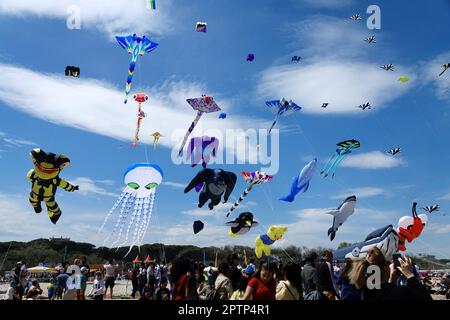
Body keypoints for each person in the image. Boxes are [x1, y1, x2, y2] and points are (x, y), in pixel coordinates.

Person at [348, 247, 432, 301]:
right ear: (385, 268)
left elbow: (383, 292)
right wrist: (410, 275)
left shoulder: (364, 293)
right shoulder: (401, 292)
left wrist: (392, 280)